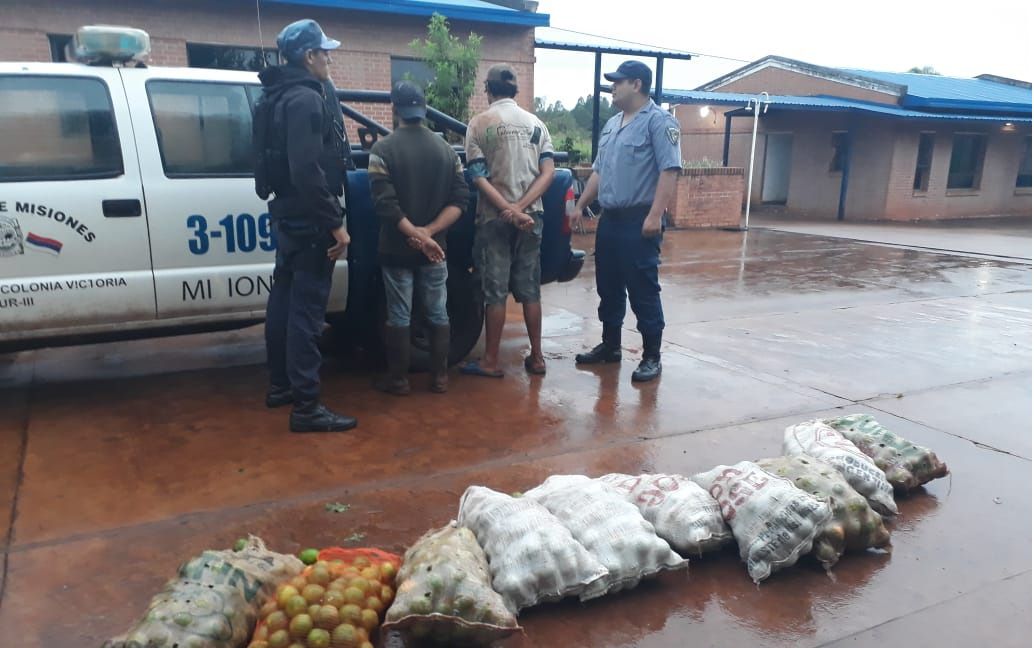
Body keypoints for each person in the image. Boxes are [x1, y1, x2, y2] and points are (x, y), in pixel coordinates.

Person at [255, 19, 357, 432]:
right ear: (309, 56)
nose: (329, 60)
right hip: (310, 220)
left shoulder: (274, 96)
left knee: (283, 301)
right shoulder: (305, 99)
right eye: (325, 52)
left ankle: (281, 386)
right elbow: (307, 170)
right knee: (307, 314)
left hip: (287, 215)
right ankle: (307, 407)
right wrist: (336, 225)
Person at [568, 60, 682, 383]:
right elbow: (599, 172)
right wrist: (580, 205)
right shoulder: (612, 125)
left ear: (636, 84)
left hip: (639, 220)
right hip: (611, 220)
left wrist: (655, 215)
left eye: (618, 82)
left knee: (643, 289)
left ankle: (651, 356)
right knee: (609, 286)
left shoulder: (659, 122)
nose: (613, 88)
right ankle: (610, 345)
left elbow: (669, 169)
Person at [368, 81, 470, 395]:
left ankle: (399, 380)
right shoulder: (446, 151)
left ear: (394, 108)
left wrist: (415, 234)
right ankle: (439, 378)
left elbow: (386, 206)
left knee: (400, 313)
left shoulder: (382, 150)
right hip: (435, 250)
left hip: (397, 250)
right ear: (423, 110)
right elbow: (460, 200)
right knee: (438, 311)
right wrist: (429, 235)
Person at [461, 63, 555, 378]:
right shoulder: (536, 123)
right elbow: (548, 173)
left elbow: (477, 175)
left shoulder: (479, 123)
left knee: (495, 291)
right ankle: (538, 357)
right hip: (533, 218)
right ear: (514, 89)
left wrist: (507, 210)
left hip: (493, 219)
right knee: (530, 290)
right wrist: (522, 209)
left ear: (487, 90)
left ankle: (490, 361)